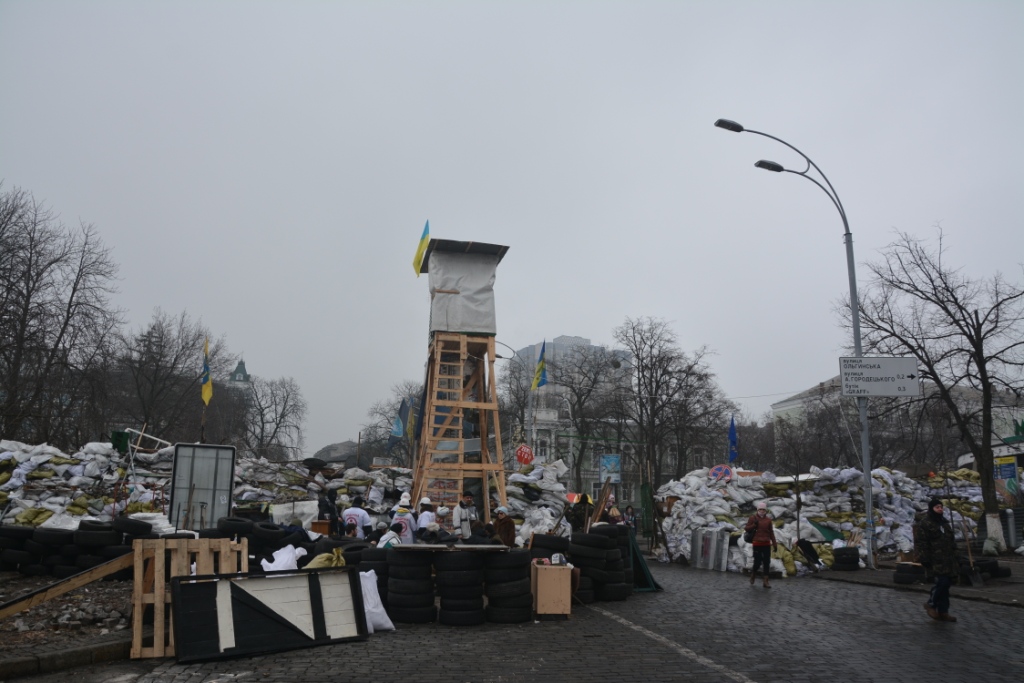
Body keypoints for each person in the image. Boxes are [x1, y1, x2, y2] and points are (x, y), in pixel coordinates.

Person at [915, 498, 959, 622]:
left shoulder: (944, 522)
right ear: (931, 509)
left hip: (948, 559)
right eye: (937, 507)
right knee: (941, 582)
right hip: (935, 559)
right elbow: (921, 542)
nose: (940, 509)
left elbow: (951, 540)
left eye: (941, 507)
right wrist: (924, 558)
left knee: (946, 585)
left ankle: (943, 611)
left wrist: (956, 554)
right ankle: (931, 604)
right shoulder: (925, 523)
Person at [745, 501, 778, 588]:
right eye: (760, 509)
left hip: (766, 543)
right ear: (757, 510)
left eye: (763, 509)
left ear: (765, 510)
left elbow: (771, 532)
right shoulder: (753, 518)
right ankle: (753, 574)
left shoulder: (768, 520)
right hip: (757, 543)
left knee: (767, 562)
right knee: (757, 562)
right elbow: (747, 528)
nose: (762, 511)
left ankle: (766, 581)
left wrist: (774, 544)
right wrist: (754, 525)